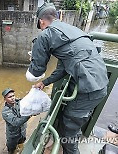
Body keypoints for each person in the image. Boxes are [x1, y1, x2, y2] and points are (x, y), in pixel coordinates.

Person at [26, 2, 109, 154]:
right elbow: (63, 68)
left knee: (69, 130)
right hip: (101, 81)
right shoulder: (71, 29)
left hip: (91, 88)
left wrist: (36, 73)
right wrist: (44, 83)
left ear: (41, 21)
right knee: (71, 120)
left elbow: (36, 70)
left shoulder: (46, 34)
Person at [1, 88, 30, 154]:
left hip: (22, 132)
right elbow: (16, 122)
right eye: (9, 97)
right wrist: (29, 115)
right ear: (5, 99)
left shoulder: (19, 102)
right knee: (11, 150)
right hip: (13, 136)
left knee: (21, 145)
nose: (12, 98)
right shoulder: (5, 112)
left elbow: (29, 100)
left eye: (13, 95)